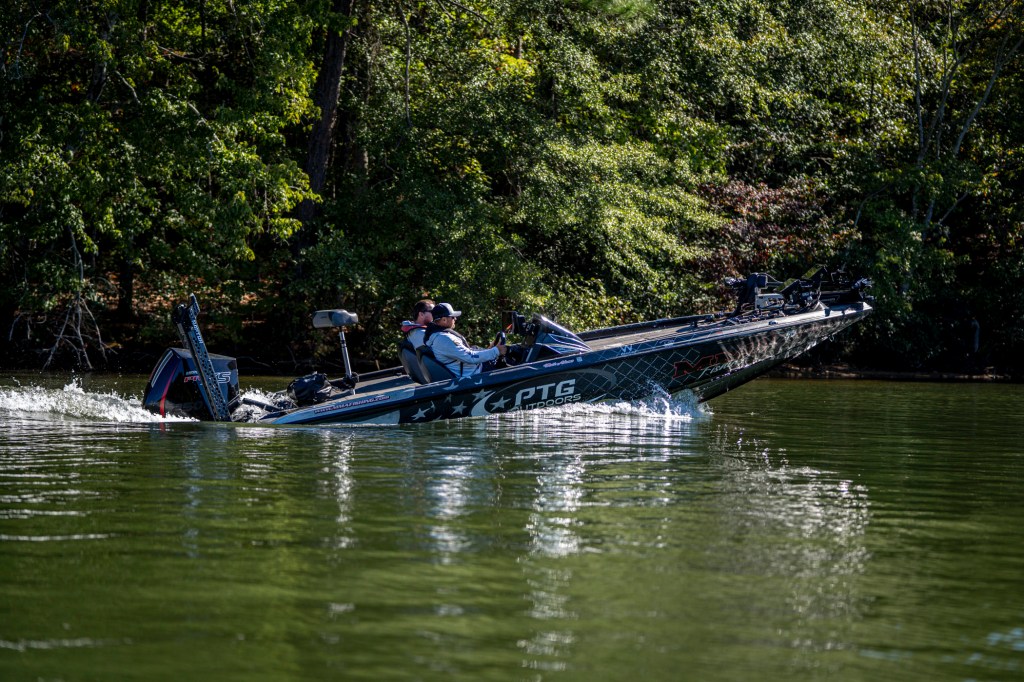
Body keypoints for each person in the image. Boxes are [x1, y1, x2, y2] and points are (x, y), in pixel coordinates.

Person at [424, 302, 508, 379]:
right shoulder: (444, 339)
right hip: (474, 375)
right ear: (444, 320)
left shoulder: (437, 335)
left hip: (475, 369)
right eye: (453, 317)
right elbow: (470, 357)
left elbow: (465, 353)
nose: (455, 319)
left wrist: (490, 349)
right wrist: (496, 351)